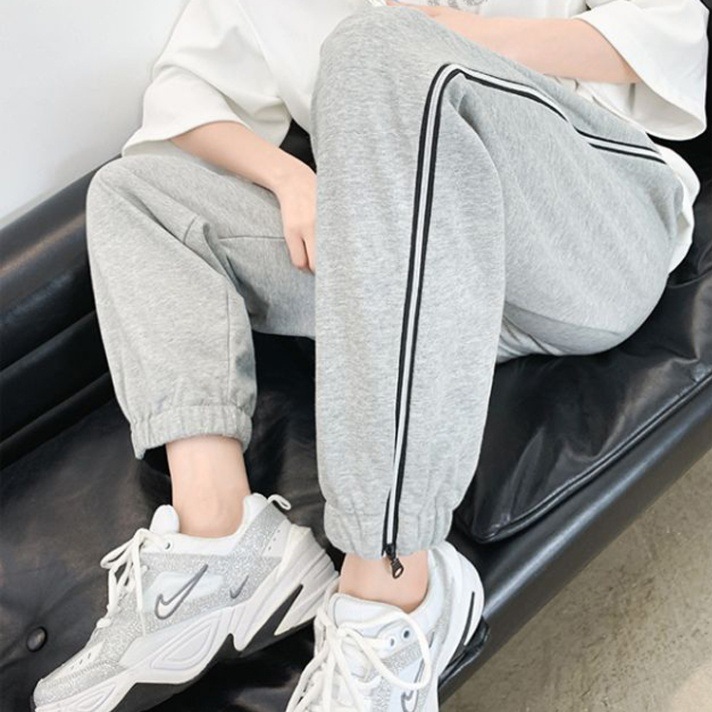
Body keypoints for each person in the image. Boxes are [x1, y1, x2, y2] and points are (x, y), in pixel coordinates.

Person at [32, 0, 708, 710]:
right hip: (432, 280)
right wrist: (289, 178)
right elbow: (182, 93)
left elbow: (671, 29)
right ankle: (220, 539)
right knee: (136, 194)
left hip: (593, 238)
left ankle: (394, 588)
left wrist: (458, 39)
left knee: (375, 45)